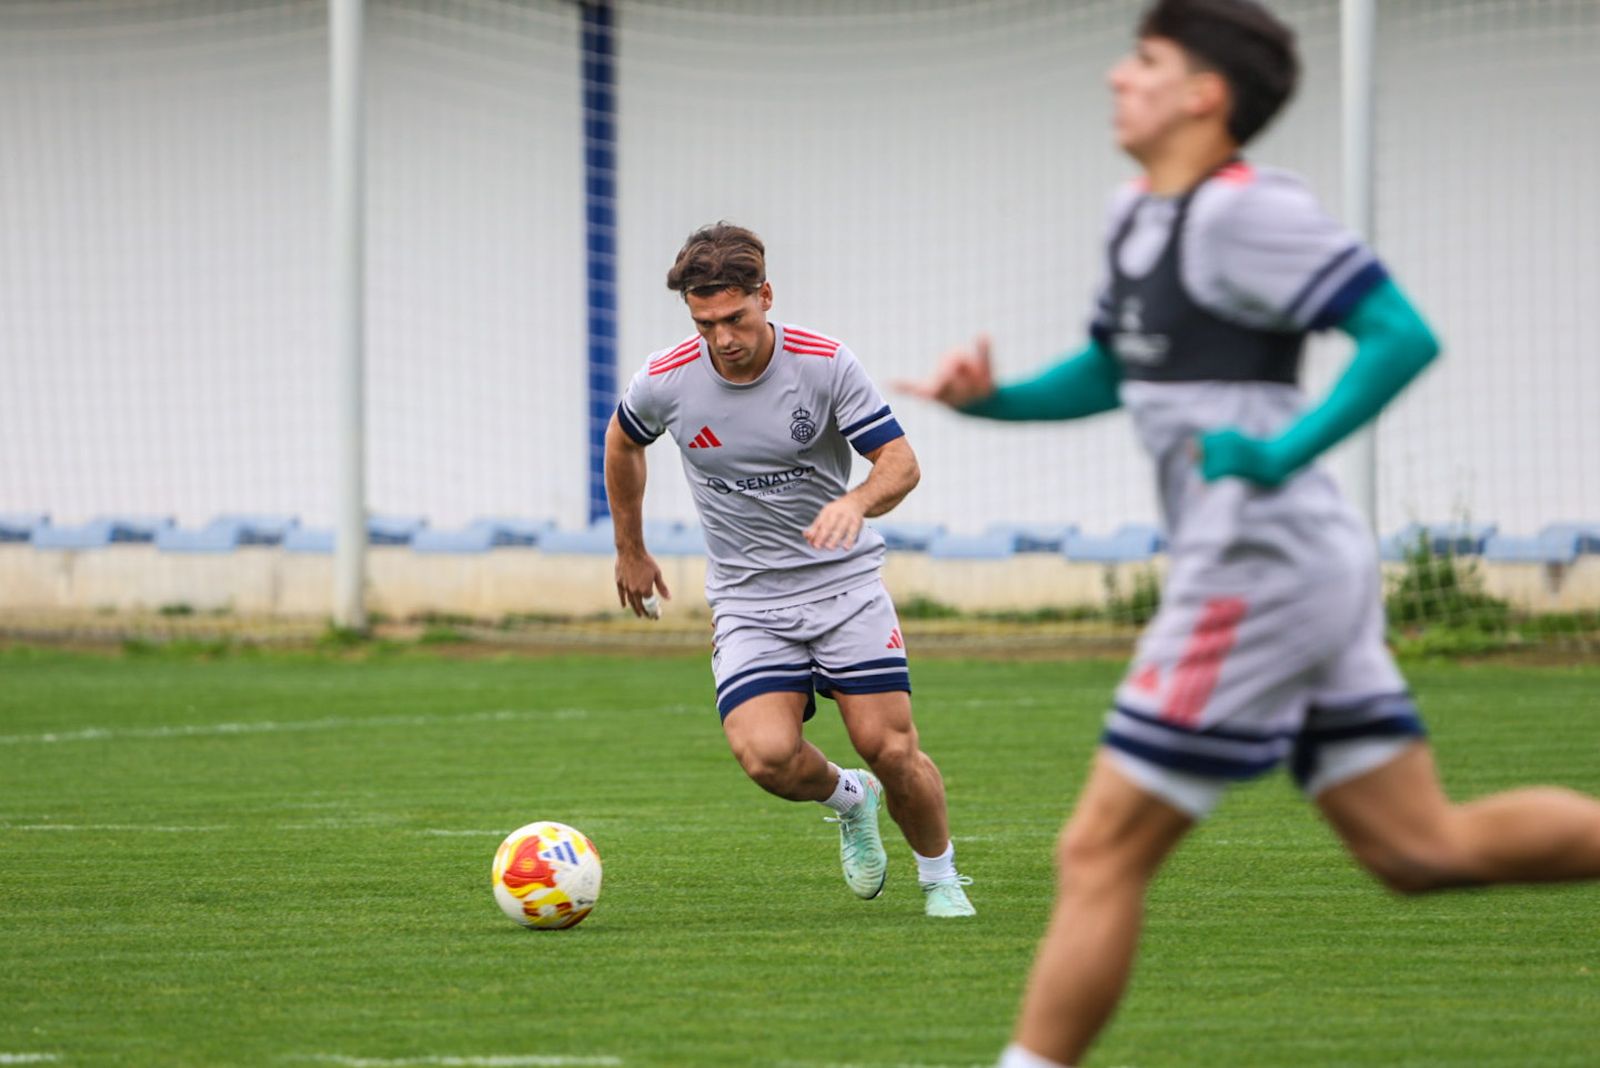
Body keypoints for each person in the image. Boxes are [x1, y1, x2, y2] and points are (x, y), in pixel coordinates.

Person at [899, 0, 1600, 1062]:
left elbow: (1397, 334)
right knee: (1417, 848)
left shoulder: (1247, 211)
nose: (1115, 78)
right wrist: (994, 401)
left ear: (1203, 95)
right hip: (1293, 565)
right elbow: (1107, 369)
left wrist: (1282, 452)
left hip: (1253, 570)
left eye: (1143, 61)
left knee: (1096, 853)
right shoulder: (1136, 215)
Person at [606, 222, 975, 918]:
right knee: (766, 756)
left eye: (735, 318)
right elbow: (623, 442)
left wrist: (857, 501)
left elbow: (901, 464)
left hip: (843, 589)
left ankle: (941, 880)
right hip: (748, 601)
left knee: (889, 748)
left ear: (766, 296)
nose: (722, 338)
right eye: (705, 322)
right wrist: (631, 548)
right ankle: (848, 799)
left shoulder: (825, 364)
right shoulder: (665, 379)